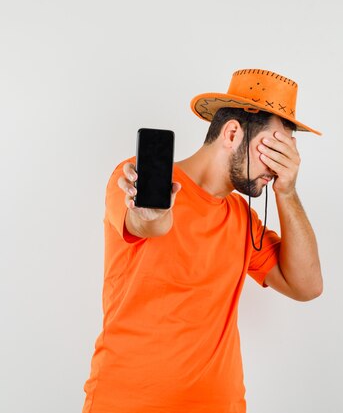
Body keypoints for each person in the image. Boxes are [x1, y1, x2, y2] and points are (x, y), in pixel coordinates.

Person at [82, 69, 323, 413]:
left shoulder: (243, 219)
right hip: (128, 402)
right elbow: (147, 223)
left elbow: (307, 286)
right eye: (272, 146)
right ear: (232, 133)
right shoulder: (135, 180)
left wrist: (287, 190)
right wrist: (151, 214)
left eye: (287, 150)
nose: (278, 163)